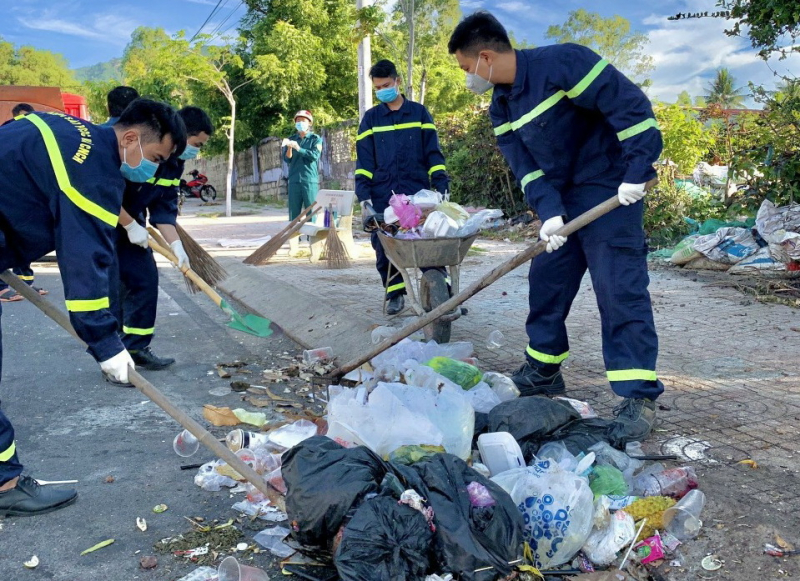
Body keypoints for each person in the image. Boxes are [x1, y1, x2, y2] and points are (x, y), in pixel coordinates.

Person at [448, 11, 664, 446]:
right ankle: (543, 370)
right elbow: (525, 169)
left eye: (467, 68)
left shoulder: (565, 62)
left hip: (609, 192)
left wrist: (637, 170)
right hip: (562, 206)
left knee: (619, 290)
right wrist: (548, 214)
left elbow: (629, 107)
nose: (470, 77)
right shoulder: (501, 106)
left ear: (485, 56)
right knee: (547, 283)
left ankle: (638, 397)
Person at [0, 99, 185, 515]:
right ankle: (5, 484)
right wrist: (105, 342)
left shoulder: (67, 131)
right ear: (132, 137)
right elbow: (85, 260)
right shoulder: (94, 170)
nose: (152, 170)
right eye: (154, 158)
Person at [114, 106, 213, 370]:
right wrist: (128, 225)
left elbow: (163, 211)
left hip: (134, 226)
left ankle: (136, 346)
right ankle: (112, 356)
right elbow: (103, 193)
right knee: (112, 286)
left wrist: (177, 246)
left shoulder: (174, 164)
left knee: (144, 278)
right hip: (105, 223)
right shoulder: (137, 149)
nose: (196, 151)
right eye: (196, 144)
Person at [355, 59, 451, 315]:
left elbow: (433, 154)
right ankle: (395, 292)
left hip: (416, 193)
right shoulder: (371, 119)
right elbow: (364, 162)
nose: (382, 90)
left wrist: (441, 186)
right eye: (378, 87)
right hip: (382, 195)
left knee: (426, 243)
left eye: (386, 85)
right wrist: (364, 198)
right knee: (384, 245)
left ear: (397, 81)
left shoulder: (419, 113)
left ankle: (443, 293)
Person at [0, 103, 49, 302]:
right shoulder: (8, 132)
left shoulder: (31, 135)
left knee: (23, 239)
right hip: (7, 195)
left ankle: (25, 283)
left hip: (24, 194)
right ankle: (2, 287)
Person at [282, 110, 323, 221]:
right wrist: (290, 147)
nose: (300, 123)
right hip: (294, 180)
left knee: (311, 212)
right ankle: (295, 237)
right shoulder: (291, 139)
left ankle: (311, 237)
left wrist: (299, 149)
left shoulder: (315, 139)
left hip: (309, 180)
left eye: (303, 121)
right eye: (298, 121)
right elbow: (287, 159)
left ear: (309, 123)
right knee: (294, 213)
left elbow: (314, 156)